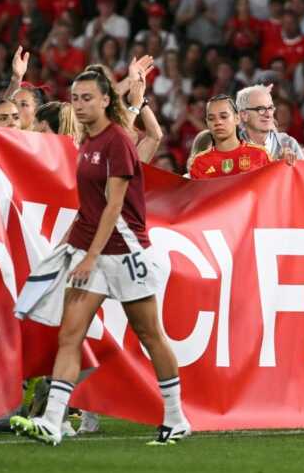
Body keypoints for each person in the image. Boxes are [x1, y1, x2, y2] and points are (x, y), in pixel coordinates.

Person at [12, 68, 190, 446]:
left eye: (87, 98)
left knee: (149, 334)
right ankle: (53, 421)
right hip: (92, 253)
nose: (79, 105)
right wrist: (67, 247)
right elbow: (89, 209)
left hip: (125, 253)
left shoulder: (116, 142)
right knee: (70, 334)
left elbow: (114, 207)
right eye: (75, 98)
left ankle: (176, 417)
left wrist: (90, 256)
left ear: (107, 100)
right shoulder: (87, 143)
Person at [236, 81, 304, 161]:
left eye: (270, 108)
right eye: (261, 109)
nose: (268, 114)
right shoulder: (232, 145)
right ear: (244, 115)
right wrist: (278, 163)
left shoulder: (286, 143)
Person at [188, 96, 271, 179]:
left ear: (237, 118)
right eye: (211, 118)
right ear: (207, 122)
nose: (218, 122)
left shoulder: (260, 155)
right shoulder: (199, 163)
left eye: (223, 117)